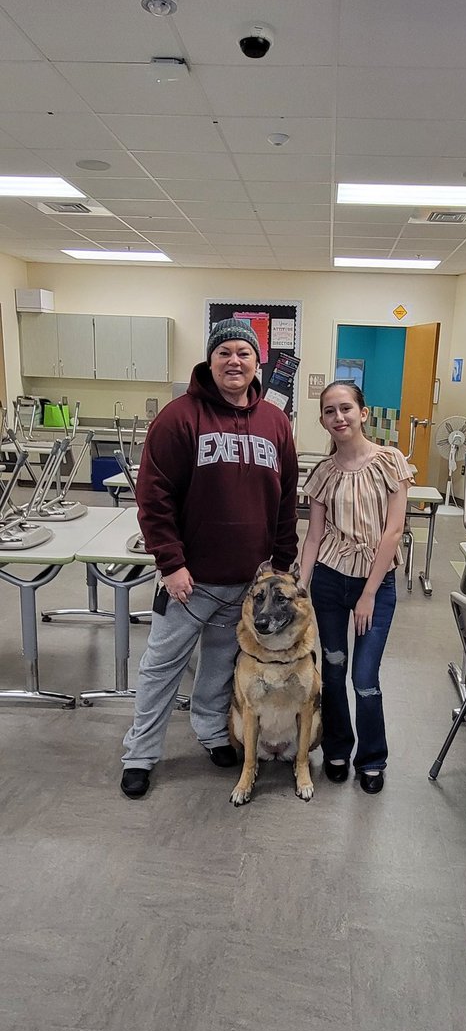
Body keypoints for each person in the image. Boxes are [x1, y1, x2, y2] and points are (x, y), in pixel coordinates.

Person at [120, 319, 299, 798]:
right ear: (210, 360)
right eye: (224, 353)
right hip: (189, 581)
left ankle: (211, 732)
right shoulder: (180, 418)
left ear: (257, 361)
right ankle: (140, 755)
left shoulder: (275, 423)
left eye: (243, 352)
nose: (234, 361)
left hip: (246, 583)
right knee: (162, 667)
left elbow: (286, 498)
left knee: (220, 668)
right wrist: (170, 563)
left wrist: (282, 558)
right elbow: (152, 496)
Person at [299, 381, 414, 793]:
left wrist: (368, 592)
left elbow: (394, 530)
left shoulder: (390, 462)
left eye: (346, 408)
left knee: (365, 678)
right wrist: (301, 586)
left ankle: (372, 759)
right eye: (330, 411)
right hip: (329, 581)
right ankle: (335, 750)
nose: (339, 417)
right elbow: (313, 538)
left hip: (375, 586)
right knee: (332, 671)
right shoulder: (323, 473)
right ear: (323, 421)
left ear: (363, 413)